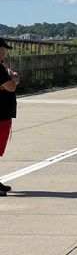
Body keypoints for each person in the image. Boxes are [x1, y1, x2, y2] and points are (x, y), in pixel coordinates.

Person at [0, 38, 19, 196]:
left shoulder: (1, 68)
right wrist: (12, 79)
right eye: (3, 49)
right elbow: (10, 86)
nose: (5, 52)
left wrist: (10, 78)